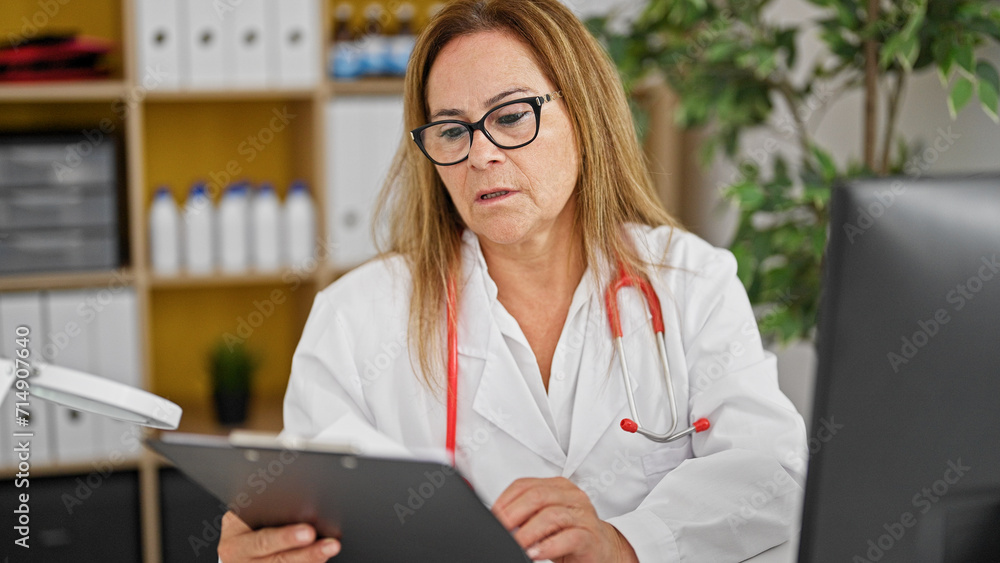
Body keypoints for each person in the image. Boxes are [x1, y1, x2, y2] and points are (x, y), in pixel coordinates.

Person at [218, 0, 807, 561]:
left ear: (584, 113)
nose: (481, 154)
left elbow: (771, 474)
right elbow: (318, 522)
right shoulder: (356, 319)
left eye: (509, 116)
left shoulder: (690, 283)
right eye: (451, 130)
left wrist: (625, 545)